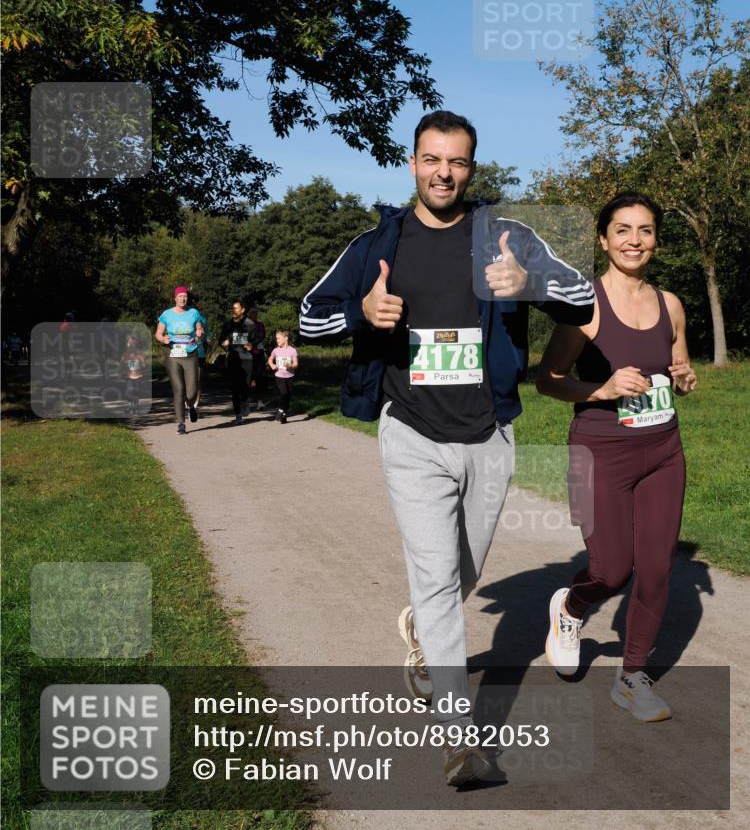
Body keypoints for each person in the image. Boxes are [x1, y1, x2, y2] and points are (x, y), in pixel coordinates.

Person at [299, 110, 594, 786]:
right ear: (412, 163)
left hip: (487, 432)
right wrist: (361, 315)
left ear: (471, 168)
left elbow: (581, 294)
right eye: (432, 159)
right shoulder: (379, 243)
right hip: (410, 430)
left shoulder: (508, 237)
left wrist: (531, 286)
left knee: (464, 570)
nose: (443, 172)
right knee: (436, 578)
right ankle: (462, 741)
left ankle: (429, 639)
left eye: (456, 162)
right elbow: (309, 316)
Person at [536, 192, 697, 722]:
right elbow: (548, 382)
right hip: (600, 450)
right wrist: (602, 390)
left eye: (645, 230)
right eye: (623, 230)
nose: (634, 240)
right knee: (610, 571)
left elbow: (677, 362)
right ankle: (571, 607)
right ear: (603, 239)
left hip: (662, 449)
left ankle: (631, 677)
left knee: (654, 570)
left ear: (655, 240)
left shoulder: (670, 304)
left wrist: (684, 375)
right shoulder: (583, 307)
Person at [155, 287, 204, 435]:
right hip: (173, 354)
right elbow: (158, 332)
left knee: (192, 391)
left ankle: (191, 406)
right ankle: (181, 423)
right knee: (178, 389)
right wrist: (162, 339)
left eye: (185, 296)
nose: (183, 299)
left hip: (190, 354)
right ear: (175, 298)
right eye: (180, 296)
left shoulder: (193, 313)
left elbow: (200, 330)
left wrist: (199, 333)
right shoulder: (167, 314)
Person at [220, 299, 259, 425]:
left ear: (242, 310)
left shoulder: (250, 324)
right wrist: (224, 343)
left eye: (236, 308)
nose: (233, 310)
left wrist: (251, 345)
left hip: (246, 358)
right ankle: (238, 415)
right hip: (232, 358)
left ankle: (245, 401)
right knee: (234, 388)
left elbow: (257, 338)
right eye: (232, 308)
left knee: (245, 385)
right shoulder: (227, 324)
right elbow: (221, 340)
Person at [267, 329, 298, 424]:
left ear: (286, 338)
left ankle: (284, 414)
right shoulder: (276, 350)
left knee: (288, 395)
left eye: (279, 338)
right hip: (279, 375)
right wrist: (272, 365)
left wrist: (290, 366)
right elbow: (270, 359)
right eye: (276, 339)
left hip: (290, 376)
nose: (277, 340)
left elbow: (296, 364)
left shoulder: (292, 351)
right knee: (284, 393)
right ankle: (280, 411)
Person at [189, 293, 211, 408]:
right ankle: (187, 402)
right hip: (184, 352)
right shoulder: (180, 316)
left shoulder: (202, 318)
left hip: (199, 352)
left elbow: (208, 335)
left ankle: (195, 405)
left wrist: (207, 338)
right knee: (185, 380)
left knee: (197, 380)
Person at [120, 332, 147, 416]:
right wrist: (122, 371)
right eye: (130, 344)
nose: (131, 346)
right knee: (129, 391)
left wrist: (142, 362)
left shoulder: (139, 354)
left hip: (138, 376)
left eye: (133, 344)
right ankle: (132, 407)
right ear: (127, 345)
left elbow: (144, 365)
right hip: (129, 376)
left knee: (136, 391)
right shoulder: (125, 354)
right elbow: (122, 364)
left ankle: (134, 407)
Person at [248, 307, 267, 409]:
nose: (254, 315)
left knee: (259, 377)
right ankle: (249, 398)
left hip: (258, 353)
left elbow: (262, 336)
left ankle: (260, 400)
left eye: (256, 313)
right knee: (249, 376)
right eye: (252, 313)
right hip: (247, 355)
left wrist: (253, 343)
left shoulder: (260, 325)